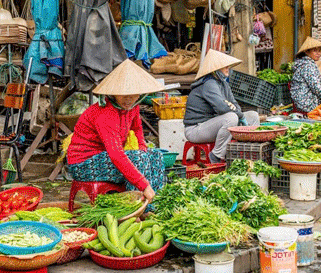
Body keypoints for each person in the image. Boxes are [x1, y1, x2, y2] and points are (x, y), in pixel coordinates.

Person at [66, 60, 167, 202]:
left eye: (133, 95)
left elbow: (137, 128)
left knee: (155, 156)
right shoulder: (106, 114)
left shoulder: (133, 106)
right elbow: (116, 155)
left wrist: (142, 147)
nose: (129, 100)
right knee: (138, 159)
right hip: (83, 164)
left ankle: (155, 204)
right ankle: (136, 207)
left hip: (104, 156)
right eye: (124, 95)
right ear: (113, 93)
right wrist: (144, 185)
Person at [183, 50, 260, 164]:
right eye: (224, 67)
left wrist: (240, 114)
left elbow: (234, 103)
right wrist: (240, 116)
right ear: (215, 70)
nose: (227, 68)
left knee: (253, 116)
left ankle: (248, 152)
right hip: (195, 129)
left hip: (212, 125)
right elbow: (222, 108)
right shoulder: (209, 84)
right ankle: (216, 155)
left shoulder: (223, 84)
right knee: (231, 118)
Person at [290, 37, 321, 114]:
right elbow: (315, 86)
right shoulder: (307, 65)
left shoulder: (305, 63)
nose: (318, 53)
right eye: (315, 51)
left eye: (320, 51)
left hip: (303, 101)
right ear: (307, 52)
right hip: (306, 103)